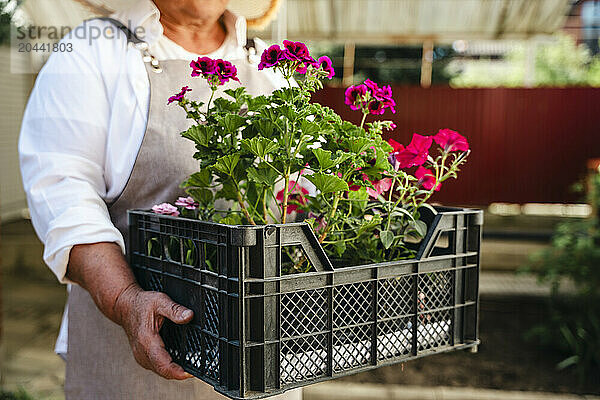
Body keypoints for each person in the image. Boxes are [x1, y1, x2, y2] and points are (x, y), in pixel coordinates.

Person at [18, 0, 300, 398]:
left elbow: (305, 198)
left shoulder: (273, 66)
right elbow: (63, 193)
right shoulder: (93, 49)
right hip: (132, 357)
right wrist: (125, 300)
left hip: (266, 353)